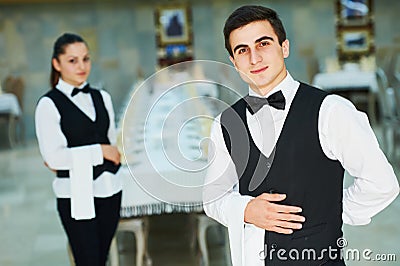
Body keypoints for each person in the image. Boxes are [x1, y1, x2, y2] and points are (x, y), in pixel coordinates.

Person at [203, 5, 399, 266]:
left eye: (263, 44)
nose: (254, 58)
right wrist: (246, 210)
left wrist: (332, 212)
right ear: (233, 61)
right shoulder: (226, 123)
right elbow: (213, 197)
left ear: (284, 47)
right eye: (242, 50)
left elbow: (381, 183)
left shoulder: (331, 112)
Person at [35, 33, 122, 266]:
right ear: (57, 63)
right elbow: (54, 158)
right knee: (88, 261)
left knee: (101, 259)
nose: (82, 66)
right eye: (72, 60)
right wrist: (99, 152)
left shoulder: (102, 97)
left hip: (110, 190)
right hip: (75, 195)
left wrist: (106, 151)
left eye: (86, 59)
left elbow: (112, 144)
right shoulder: (48, 104)